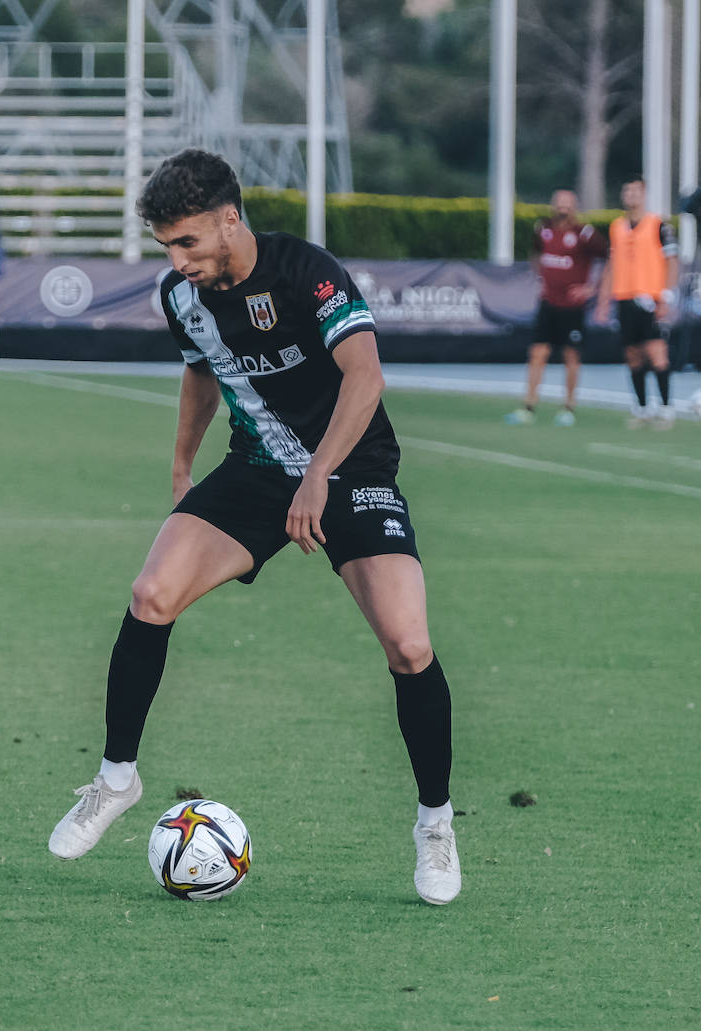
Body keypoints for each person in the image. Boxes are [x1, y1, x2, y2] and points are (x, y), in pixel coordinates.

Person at [47, 148, 462, 906]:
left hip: (354, 468)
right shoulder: (184, 297)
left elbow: (365, 378)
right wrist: (182, 465)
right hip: (259, 468)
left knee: (409, 645)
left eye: (187, 244)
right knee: (151, 594)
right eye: (167, 246)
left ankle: (435, 822)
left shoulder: (309, 273)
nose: (177, 261)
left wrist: (318, 478)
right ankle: (116, 779)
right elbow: (203, 369)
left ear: (228, 220)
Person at [506, 189, 607, 427]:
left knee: (571, 355)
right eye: (559, 202)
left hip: (572, 306)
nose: (563, 207)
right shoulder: (543, 228)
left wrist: (592, 288)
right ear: (553, 205)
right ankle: (528, 406)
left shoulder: (585, 233)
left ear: (575, 207)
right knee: (537, 354)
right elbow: (536, 253)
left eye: (567, 203)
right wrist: (541, 276)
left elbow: (610, 257)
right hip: (548, 302)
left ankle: (568, 408)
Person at [595, 175, 680, 428]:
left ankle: (665, 408)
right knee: (632, 354)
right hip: (624, 296)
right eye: (627, 191)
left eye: (635, 191)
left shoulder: (659, 225)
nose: (631, 196)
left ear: (644, 194)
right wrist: (602, 300)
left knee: (657, 353)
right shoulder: (617, 227)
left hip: (650, 298)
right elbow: (611, 265)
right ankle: (642, 408)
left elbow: (672, 261)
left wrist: (666, 295)